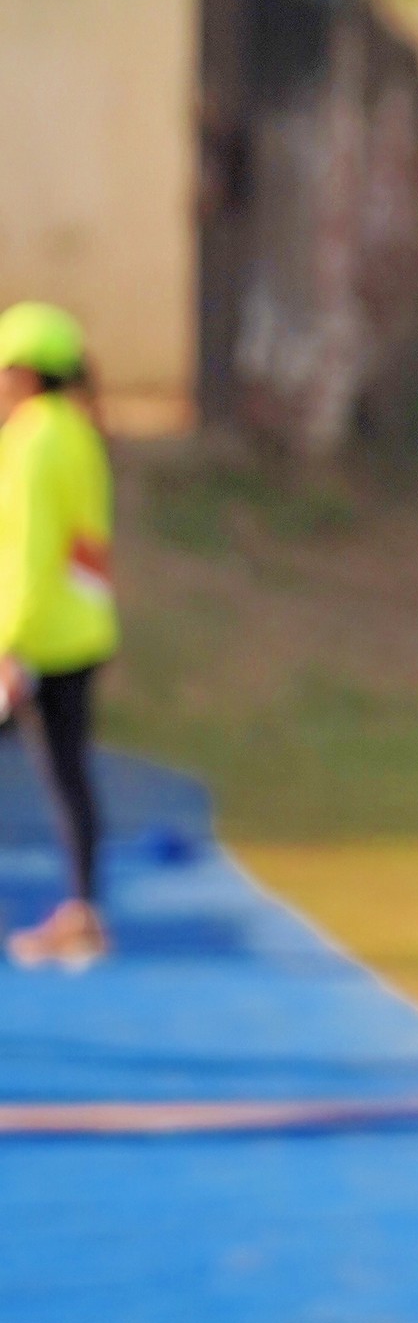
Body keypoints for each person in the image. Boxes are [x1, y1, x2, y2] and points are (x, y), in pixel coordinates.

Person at [0, 299, 118, 971]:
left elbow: (26, 551)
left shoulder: (32, 439)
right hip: (80, 628)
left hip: (35, 638)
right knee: (69, 775)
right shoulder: (78, 430)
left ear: (22, 372)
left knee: (65, 773)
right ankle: (84, 913)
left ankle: (81, 915)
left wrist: (9, 644)